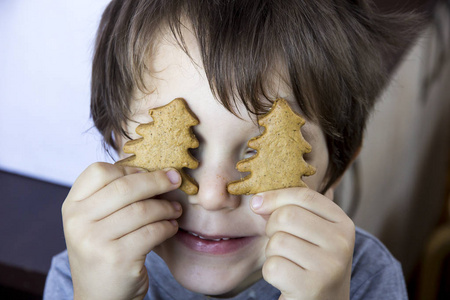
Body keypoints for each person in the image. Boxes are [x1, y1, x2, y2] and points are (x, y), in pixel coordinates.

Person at [44, 0, 422, 299]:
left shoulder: (367, 278)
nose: (212, 197)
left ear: (335, 168)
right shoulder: (84, 273)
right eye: (184, 152)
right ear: (115, 139)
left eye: (257, 154)